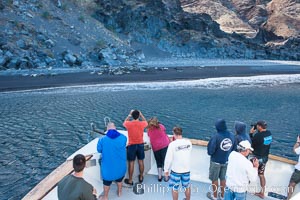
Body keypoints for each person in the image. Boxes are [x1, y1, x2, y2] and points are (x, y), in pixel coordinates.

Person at [97, 122, 127, 200]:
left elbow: (99, 150)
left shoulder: (102, 139)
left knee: (106, 182)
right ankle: (120, 192)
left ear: (107, 129)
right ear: (115, 128)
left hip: (108, 168)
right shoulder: (123, 137)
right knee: (120, 179)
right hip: (121, 167)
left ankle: (105, 197)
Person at [207, 119, 235, 200]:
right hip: (226, 161)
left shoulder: (216, 137)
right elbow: (234, 148)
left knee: (214, 179)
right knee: (223, 178)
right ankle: (223, 196)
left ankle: (214, 196)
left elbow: (210, 151)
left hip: (215, 162)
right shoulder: (232, 135)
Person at [164, 126, 192, 200]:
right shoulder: (188, 142)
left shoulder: (172, 145)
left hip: (176, 170)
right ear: (181, 133)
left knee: (174, 188)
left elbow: (168, 159)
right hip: (186, 169)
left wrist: (166, 170)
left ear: (174, 134)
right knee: (187, 186)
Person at [123, 109, 148, 185]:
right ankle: (141, 177)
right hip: (140, 144)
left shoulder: (128, 124)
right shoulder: (142, 124)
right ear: (138, 116)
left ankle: (130, 180)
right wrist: (141, 115)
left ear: (132, 116)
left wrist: (129, 115)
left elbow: (124, 122)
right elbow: (146, 122)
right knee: (141, 161)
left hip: (131, 145)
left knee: (131, 163)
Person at [249, 120, 272, 199]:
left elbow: (251, 145)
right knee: (261, 175)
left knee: (247, 172)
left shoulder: (258, 136)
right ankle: (262, 192)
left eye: (257, 126)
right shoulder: (269, 133)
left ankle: (242, 189)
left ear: (259, 126)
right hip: (265, 158)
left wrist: (251, 133)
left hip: (257, 158)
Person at [147, 117, 170, 181]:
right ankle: (166, 177)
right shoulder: (161, 126)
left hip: (155, 147)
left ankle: (159, 177)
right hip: (164, 146)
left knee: (158, 162)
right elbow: (164, 131)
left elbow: (149, 136)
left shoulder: (149, 130)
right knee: (165, 162)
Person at [287, 135, 300, 200]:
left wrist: (297, 142)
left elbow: (295, 150)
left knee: (291, 185)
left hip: (298, 171)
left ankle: (288, 198)